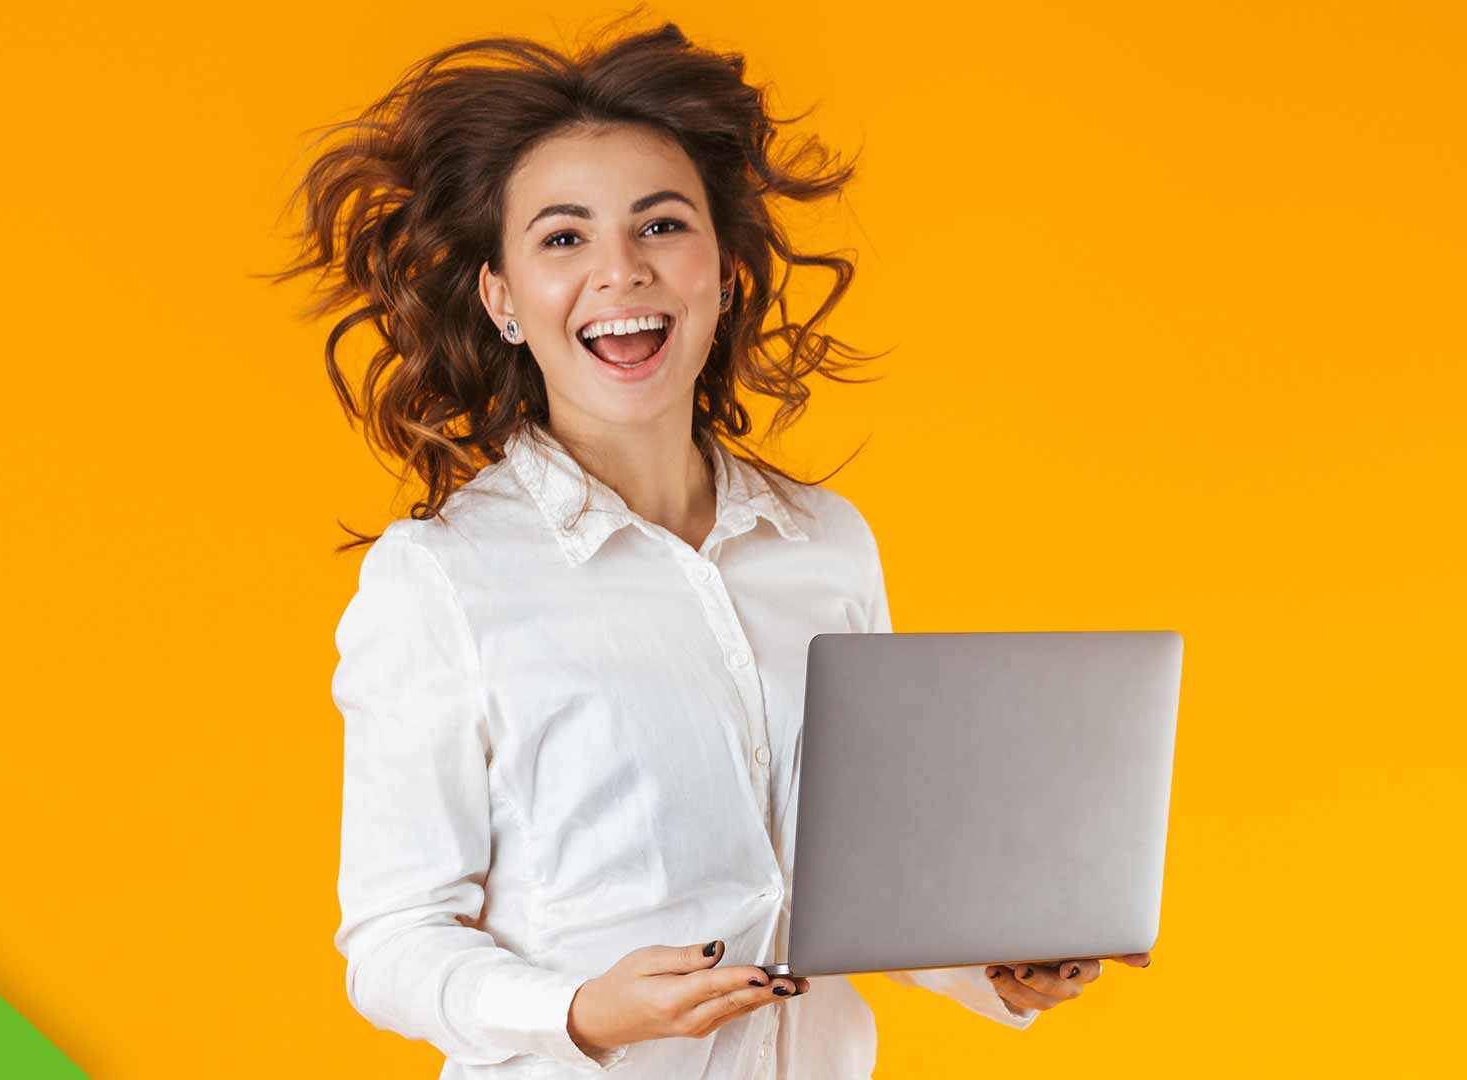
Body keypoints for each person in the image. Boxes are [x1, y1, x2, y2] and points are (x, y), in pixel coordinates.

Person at [273, 13, 1151, 1077]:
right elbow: (391, 942)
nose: (620, 271)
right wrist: (584, 1011)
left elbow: (860, 882)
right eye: (563, 238)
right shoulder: (442, 580)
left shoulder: (825, 545)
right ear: (503, 301)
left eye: (660, 226)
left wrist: (995, 968)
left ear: (724, 270)